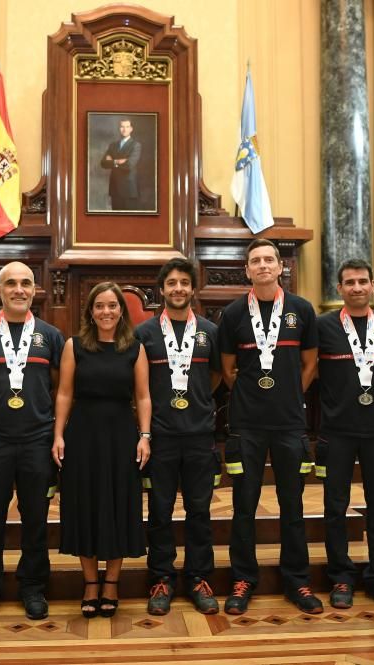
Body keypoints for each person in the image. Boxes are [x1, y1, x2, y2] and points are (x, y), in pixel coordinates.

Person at [218, 238, 323, 616]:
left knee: (291, 505)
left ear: (281, 267)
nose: (262, 266)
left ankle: (297, 580)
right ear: (246, 270)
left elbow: (310, 364)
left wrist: (293, 393)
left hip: (289, 423)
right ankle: (243, 579)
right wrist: (251, 395)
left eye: (269, 260)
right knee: (243, 506)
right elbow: (228, 369)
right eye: (255, 261)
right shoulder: (232, 314)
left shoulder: (301, 310)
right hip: (246, 424)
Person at [0, 261, 64, 621]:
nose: (19, 290)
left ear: (35, 290)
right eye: (11, 284)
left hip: (37, 439)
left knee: (35, 518)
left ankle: (33, 586)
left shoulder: (50, 335)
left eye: (26, 284)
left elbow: (57, 386)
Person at [53, 282, 152, 618]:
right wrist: (58, 435)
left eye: (112, 305)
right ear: (90, 311)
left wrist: (145, 436)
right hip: (82, 435)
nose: (106, 312)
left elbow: (142, 397)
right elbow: (65, 393)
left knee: (118, 504)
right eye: (99, 306)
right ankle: (90, 583)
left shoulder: (134, 348)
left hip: (122, 436)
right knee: (85, 505)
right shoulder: (75, 346)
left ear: (121, 310)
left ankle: (112, 582)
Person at [317, 258, 374, 611]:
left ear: (373, 286)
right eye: (349, 282)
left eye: (362, 281)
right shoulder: (323, 326)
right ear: (339, 289)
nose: (356, 287)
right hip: (336, 432)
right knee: (335, 509)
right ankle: (340, 577)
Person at [135, 258, 222, 616]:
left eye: (184, 282)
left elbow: (216, 376)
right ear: (161, 290)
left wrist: (197, 403)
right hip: (161, 437)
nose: (178, 289)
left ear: (193, 288)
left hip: (200, 435)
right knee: (159, 511)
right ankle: (162, 578)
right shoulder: (145, 333)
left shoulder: (209, 331)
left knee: (199, 511)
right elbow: (137, 386)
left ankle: (199, 577)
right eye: (171, 283)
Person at [100, 117, 142, 210]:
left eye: (127, 127)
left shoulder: (136, 145)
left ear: (131, 129)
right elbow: (103, 163)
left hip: (129, 190)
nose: (124, 129)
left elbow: (129, 165)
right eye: (122, 127)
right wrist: (117, 161)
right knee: (115, 221)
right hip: (115, 189)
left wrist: (112, 161)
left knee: (130, 222)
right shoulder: (113, 145)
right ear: (119, 129)